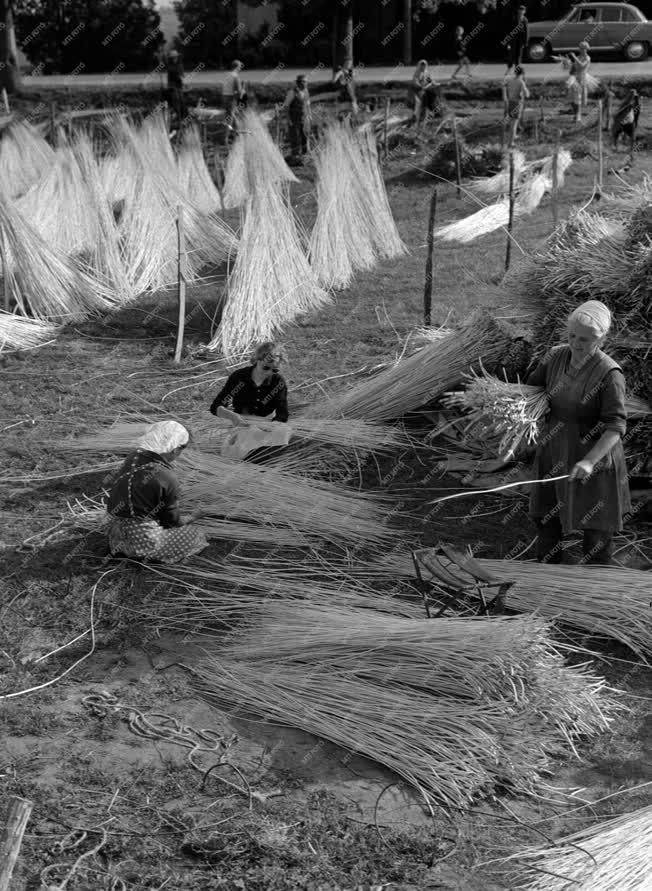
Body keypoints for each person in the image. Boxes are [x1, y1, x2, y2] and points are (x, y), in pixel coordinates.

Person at [527, 301, 631, 566]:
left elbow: (616, 427)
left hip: (593, 454)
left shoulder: (609, 373)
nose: (576, 343)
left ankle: (593, 589)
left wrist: (589, 461)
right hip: (555, 448)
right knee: (547, 518)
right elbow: (531, 390)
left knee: (596, 529)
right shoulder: (555, 356)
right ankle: (546, 576)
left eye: (585, 339)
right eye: (572, 335)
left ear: (602, 339)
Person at [106, 421, 208, 564]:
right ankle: (143, 553)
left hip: (115, 534)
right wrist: (194, 516)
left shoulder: (133, 456)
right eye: (183, 448)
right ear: (175, 449)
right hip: (142, 542)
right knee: (197, 534)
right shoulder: (166, 476)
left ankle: (125, 548)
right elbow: (172, 523)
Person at [209, 342, 289, 423]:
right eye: (265, 367)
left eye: (275, 370)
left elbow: (282, 414)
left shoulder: (278, 382)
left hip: (267, 423)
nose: (269, 372)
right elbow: (216, 406)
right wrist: (231, 416)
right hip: (240, 422)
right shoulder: (239, 377)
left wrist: (273, 426)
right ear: (257, 360)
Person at [283, 74, 311, 157]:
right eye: (305, 82)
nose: (306, 83)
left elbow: (307, 105)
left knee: (305, 136)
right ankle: (295, 156)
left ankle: (305, 155)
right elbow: (286, 107)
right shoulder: (292, 92)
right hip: (294, 119)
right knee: (295, 138)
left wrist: (309, 116)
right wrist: (288, 120)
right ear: (300, 83)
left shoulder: (306, 91)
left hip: (304, 119)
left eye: (306, 82)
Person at [503, 65, 529, 144]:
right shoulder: (521, 82)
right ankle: (511, 143)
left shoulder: (510, 80)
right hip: (517, 104)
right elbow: (527, 94)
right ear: (522, 73)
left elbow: (505, 88)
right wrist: (525, 87)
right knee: (514, 123)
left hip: (510, 102)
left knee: (511, 121)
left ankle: (513, 136)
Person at [612, 89, 640, 156]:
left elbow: (637, 112)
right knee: (616, 134)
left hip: (630, 122)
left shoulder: (636, 103)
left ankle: (632, 151)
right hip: (622, 122)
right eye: (631, 94)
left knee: (633, 137)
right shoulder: (626, 102)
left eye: (633, 95)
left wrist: (635, 122)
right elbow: (620, 111)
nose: (632, 96)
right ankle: (615, 147)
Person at [223, 59, 246, 135]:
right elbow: (240, 94)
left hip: (224, 98)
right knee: (230, 119)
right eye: (239, 67)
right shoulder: (236, 77)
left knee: (232, 116)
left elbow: (228, 88)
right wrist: (243, 89)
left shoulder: (227, 75)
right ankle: (226, 140)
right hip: (231, 99)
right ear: (236, 67)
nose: (240, 68)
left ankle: (236, 135)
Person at [505, 5, 529, 73]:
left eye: (523, 10)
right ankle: (509, 68)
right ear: (518, 11)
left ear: (525, 11)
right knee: (511, 54)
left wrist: (526, 41)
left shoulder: (525, 20)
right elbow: (509, 30)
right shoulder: (514, 18)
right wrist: (508, 41)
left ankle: (517, 69)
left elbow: (527, 31)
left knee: (519, 55)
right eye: (520, 10)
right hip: (513, 40)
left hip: (521, 40)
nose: (521, 11)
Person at [166, 49, 187, 125]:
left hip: (179, 85)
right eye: (173, 57)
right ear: (171, 58)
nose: (175, 58)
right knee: (176, 98)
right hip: (172, 85)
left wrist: (183, 80)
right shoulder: (170, 66)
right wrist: (182, 79)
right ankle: (176, 114)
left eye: (176, 57)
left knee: (181, 99)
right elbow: (175, 75)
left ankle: (182, 116)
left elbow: (182, 74)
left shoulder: (180, 65)